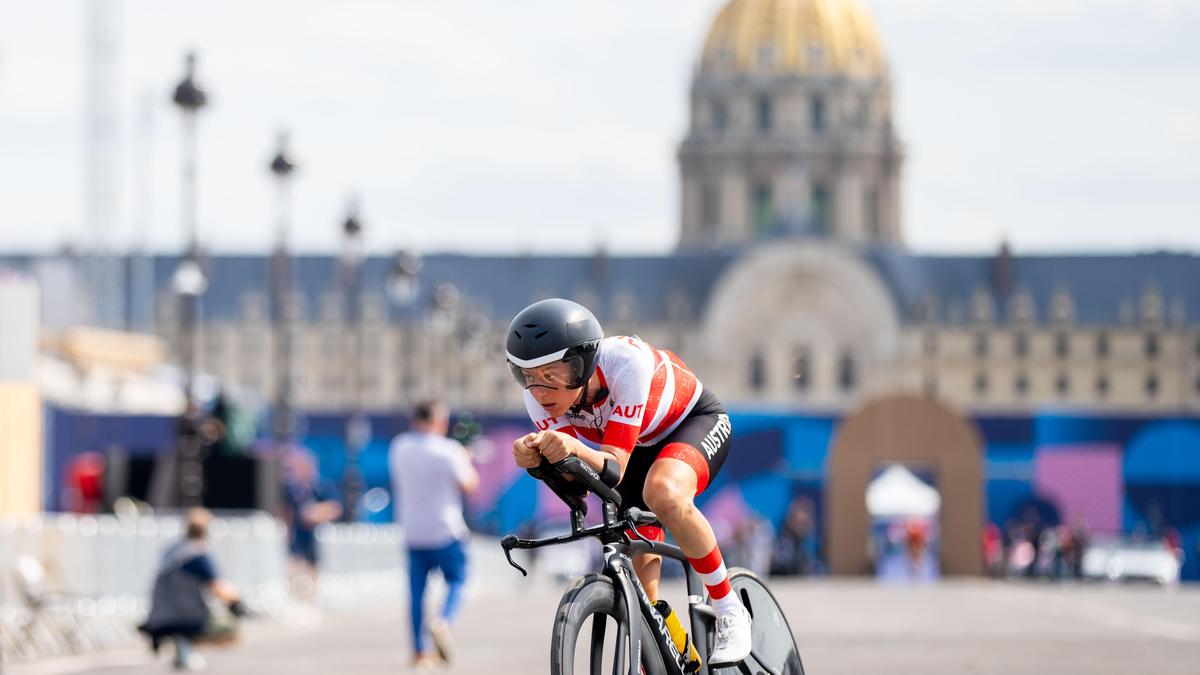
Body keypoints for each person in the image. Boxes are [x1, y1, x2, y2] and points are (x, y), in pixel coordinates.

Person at [505, 298, 752, 664]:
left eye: (552, 374)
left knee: (664, 493)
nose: (539, 391)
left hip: (691, 423)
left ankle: (729, 607)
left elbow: (615, 466)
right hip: (634, 447)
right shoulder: (537, 401)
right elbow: (581, 485)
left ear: (581, 365)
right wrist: (538, 463)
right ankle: (683, 659)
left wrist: (570, 446)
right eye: (527, 376)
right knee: (644, 606)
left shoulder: (625, 363)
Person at [389, 400, 480, 669]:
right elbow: (469, 484)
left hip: (413, 531)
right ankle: (444, 620)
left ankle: (419, 652)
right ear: (438, 421)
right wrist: (466, 458)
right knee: (458, 579)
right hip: (446, 530)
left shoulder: (400, 447)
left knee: (416, 593)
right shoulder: (449, 451)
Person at [139, 508, 245, 671]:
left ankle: (182, 646)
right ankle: (187, 645)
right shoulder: (198, 555)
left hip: (157, 617)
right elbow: (219, 588)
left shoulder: (172, 551)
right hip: (185, 617)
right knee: (230, 628)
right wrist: (237, 604)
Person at [280, 450, 342, 607]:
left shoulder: (322, 487)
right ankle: (297, 600)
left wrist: (317, 513)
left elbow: (336, 507)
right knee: (295, 567)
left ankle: (311, 600)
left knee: (313, 568)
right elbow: (284, 512)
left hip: (316, 536)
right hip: (297, 536)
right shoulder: (291, 490)